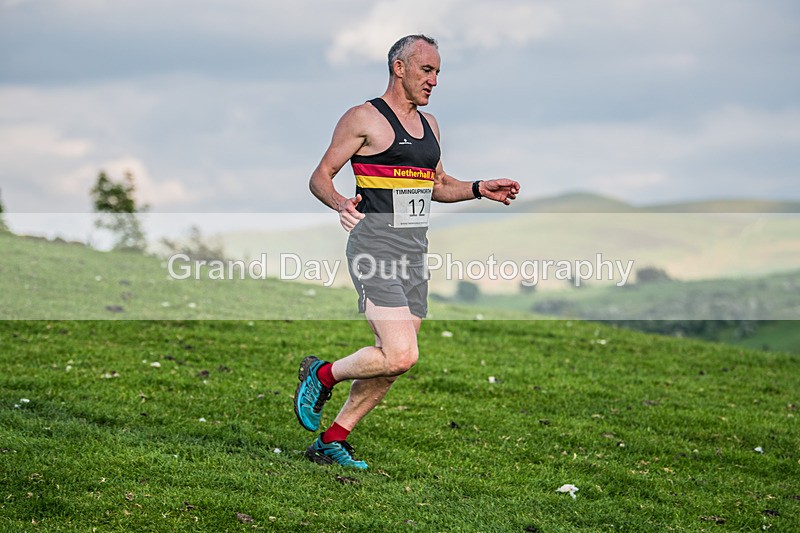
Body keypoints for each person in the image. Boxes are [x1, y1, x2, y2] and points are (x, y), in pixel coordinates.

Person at [294, 34, 520, 469]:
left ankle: (333, 439)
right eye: (426, 70)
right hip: (374, 247)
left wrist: (477, 189)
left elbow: (437, 185)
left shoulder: (431, 126)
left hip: (414, 255)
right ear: (399, 68)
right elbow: (320, 175)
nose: (433, 80)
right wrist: (341, 202)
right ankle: (321, 374)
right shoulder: (363, 118)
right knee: (402, 353)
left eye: (437, 72)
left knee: (393, 362)